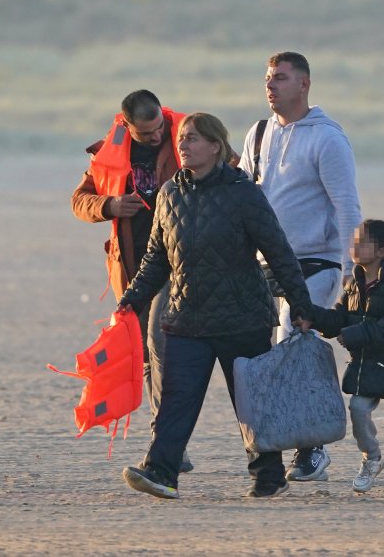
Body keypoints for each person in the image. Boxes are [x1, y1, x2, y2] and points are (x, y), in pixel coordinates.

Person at [119, 113, 311, 500]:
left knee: (251, 403)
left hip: (243, 318)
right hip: (187, 317)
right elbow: (157, 259)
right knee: (176, 398)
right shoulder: (170, 193)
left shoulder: (243, 192)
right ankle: (161, 471)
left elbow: (278, 252)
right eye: (182, 139)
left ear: (215, 146)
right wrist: (131, 302)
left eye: (192, 138)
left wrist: (302, 304)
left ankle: (268, 475)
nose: (183, 145)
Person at [240, 51, 363, 483]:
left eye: (281, 78)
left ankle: (311, 451)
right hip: (263, 265)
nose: (271, 86)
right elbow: (241, 198)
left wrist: (353, 272)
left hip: (316, 260)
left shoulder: (327, 138)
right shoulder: (257, 134)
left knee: (294, 336)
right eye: (268, 79)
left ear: (304, 84)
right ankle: (279, 441)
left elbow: (347, 206)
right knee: (268, 350)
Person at [70, 90, 196, 473]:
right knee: (147, 356)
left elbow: (233, 175)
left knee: (167, 352)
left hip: (184, 266)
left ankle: (168, 444)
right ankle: (168, 443)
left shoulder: (189, 136)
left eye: (160, 128)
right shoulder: (113, 149)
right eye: (147, 134)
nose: (157, 137)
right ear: (127, 126)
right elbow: (79, 199)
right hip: (135, 270)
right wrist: (109, 206)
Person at [297, 219, 384, 498]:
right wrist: (312, 315)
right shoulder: (354, 283)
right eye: (353, 241)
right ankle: (370, 458)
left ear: (382, 251)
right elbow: (338, 319)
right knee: (358, 409)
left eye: (362, 242)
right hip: (368, 366)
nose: (354, 246)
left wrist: (357, 334)